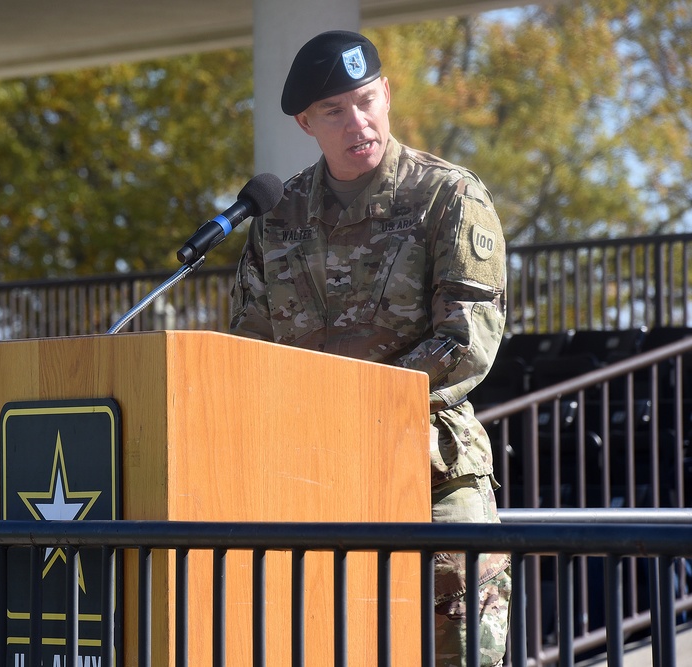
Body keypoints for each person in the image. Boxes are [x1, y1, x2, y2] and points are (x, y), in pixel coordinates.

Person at [229, 30, 511, 665]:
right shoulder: (277, 219)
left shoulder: (448, 197)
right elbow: (249, 352)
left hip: (430, 479)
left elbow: (465, 341)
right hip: (312, 480)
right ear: (306, 122)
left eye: (365, 100)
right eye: (334, 110)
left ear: (386, 93)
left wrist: (358, 409)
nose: (357, 121)